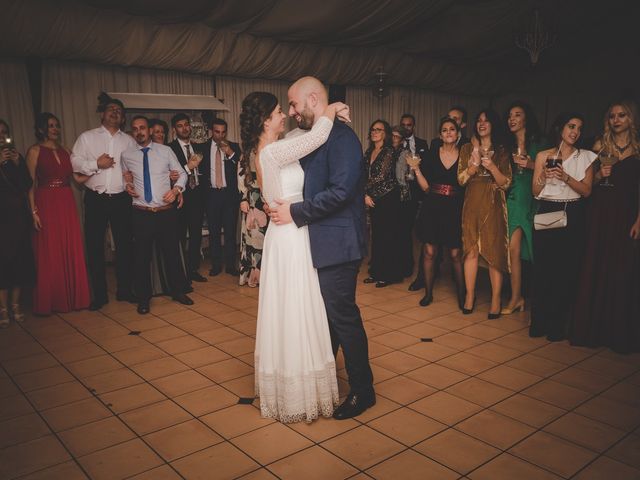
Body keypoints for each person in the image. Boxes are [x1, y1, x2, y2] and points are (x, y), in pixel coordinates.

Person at [272, 76, 375, 420]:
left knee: (343, 317)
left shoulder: (343, 137)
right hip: (318, 243)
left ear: (312, 99)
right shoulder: (313, 136)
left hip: (339, 243)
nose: (291, 111)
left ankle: (364, 391)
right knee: (326, 318)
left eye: (293, 104)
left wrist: (295, 212)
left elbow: (341, 192)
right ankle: (326, 379)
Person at [242, 90, 348, 422]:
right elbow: (313, 138)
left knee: (296, 306)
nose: (284, 115)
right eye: (277, 112)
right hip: (289, 236)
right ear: (264, 120)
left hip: (287, 231)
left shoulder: (273, 145)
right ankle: (298, 390)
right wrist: (331, 108)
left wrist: (326, 115)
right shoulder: (271, 152)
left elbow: (304, 133)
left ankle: (297, 383)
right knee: (297, 305)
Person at [571, 100, 640, 352]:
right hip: (600, 212)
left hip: (627, 214)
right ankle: (594, 330)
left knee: (622, 268)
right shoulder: (600, 145)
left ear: (630, 119)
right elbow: (589, 183)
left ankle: (618, 333)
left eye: (622, 115)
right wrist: (602, 174)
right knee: (596, 264)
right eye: (612, 116)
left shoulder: (638, 147)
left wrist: (639, 220)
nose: (616, 119)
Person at [530, 112, 596, 341]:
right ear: (560, 128)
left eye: (579, 128)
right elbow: (535, 192)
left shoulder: (586, 157)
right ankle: (538, 322)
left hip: (573, 213)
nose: (575, 132)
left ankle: (556, 325)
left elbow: (587, 191)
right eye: (571, 126)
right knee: (543, 270)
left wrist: (565, 177)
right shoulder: (542, 156)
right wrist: (544, 178)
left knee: (565, 271)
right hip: (548, 211)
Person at [121, 116, 194, 315]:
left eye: (142, 128)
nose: (139, 132)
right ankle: (144, 299)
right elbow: (124, 177)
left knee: (171, 254)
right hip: (141, 213)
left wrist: (177, 190)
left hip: (165, 213)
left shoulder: (165, 151)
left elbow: (182, 173)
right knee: (142, 258)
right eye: (135, 129)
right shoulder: (126, 155)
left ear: (149, 131)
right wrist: (127, 185)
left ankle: (178, 291)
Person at [71, 93, 136, 310]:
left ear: (123, 118)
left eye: (119, 111)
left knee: (125, 246)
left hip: (121, 200)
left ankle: (125, 290)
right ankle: (99, 295)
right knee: (94, 247)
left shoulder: (129, 141)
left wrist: (132, 178)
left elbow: (136, 168)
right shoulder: (87, 137)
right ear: (102, 113)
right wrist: (96, 164)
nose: (115, 112)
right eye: (111, 109)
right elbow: (75, 163)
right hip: (96, 199)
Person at [27, 113, 90, 315]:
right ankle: (52, 300)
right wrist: (33, 211)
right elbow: (29, 185)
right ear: (41, 129)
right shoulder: (34, 151)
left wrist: (99, 169)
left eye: (57, 125)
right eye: (50, 126)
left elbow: (78, 179)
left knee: (68, 246)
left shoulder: (66, 151)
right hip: (45, 201)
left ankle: (73, 298)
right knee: (50, 249)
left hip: (66, 200)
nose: (55, 129)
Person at [457, 109, 512, 319]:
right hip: (471, 202)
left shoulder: (502, 150)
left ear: (493, 125)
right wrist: (473, 167)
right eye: (479, 120)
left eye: (486, 121)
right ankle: (470, 297)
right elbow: (461, 180)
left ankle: (496, 300)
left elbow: (506, 183)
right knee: (470, 250)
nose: (482, 124)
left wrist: (491, 166)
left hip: (493, 203)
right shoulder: (466, 148)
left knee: (493, 252)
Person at [413, 117, 465, 308]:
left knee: (455, 254)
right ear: (440, 135)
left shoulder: (465, 155)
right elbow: (426, 188)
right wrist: (416, 170)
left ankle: (462, 295)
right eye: (444, 130)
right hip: (432, 207)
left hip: (454, 208)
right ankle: (428, 293)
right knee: (429, 251)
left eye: (452, 129)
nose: (449, 132)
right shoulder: (431, 155)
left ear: (458, 133)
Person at [502, 102, 543, 314]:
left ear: (526, 119)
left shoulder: (540, 143)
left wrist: (531, 165)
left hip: (535, 199)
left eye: (517, 114)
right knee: (513, 250)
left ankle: (541, 299)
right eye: (510, 115)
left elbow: (554, 169)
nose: (512, 118)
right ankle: (516, 297)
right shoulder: (506, 146)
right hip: (515, 198)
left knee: (538, 251)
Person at [0, 120, 35, 326]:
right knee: (3, 264)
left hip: (18, 219)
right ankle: (3, 309)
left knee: (20, 262)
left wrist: (17, 163)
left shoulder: (16, 157)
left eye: (5, 132)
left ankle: (16, 306)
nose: (2, 136)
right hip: (1, 222)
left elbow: (27, 184)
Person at [362, 120, 404, 287]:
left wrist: (363, 191)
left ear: (385, 133)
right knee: (377, 237)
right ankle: (376, 272)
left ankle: (388, 275)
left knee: (387, 237)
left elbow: (381, 176)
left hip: (388, 198)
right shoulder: (369, 151)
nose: (374, 132)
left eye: (378, 130)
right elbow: (363, 173)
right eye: (372, 129)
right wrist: (364, 193)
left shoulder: (389, 151)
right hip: (373, 198)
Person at [168, 113, 207, 282]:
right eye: (180, 126)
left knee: (196, 235)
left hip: (198, 195)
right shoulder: (169, 149)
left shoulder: (199, 148)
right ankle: (180, 271)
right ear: (174, 129)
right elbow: (171, 175)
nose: (184, 128)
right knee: (180, 235)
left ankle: (193, 269)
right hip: (180, 197)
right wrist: (188, 167)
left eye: (186, 125)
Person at [201, 118, 242, 277]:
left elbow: (241, 166)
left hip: (229, 195)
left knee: (231, 231)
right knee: (214, 231)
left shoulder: (234, 147)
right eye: (217, 132)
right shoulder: (202, 148)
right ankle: (216, 265)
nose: (220, 135)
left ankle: (231, 265)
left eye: (223, 132)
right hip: (211, 195)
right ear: (212, 131)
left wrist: (230, 153)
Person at [399, 114, 428, 284]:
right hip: (399, 192)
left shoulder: (423, 144)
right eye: (403, 125)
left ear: (414, 126)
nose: (406, 128)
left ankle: (414, 265)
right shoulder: (395, 142)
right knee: (401, 229)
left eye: (409, 125)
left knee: (412, 230)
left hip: (416, 191)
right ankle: (405, 264)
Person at [238, 151, 268, 287]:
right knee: (254, 237)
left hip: (269, 197)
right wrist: (243, 198)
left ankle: (267, 275)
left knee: (267, 238)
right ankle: (254, 274)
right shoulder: (246, 154)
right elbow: (241, 178)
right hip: (252, 200)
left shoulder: (273, 148)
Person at [391, 124, 414, 277]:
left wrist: (408, 176)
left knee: (403, 234)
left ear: (402, 139)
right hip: (389, 197)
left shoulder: (407, 154)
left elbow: (412, 175)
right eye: (392, 135)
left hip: (403, 197)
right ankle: (393, 264)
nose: (394, 139)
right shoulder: (386, 152)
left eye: (397, 136)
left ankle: (406, 267)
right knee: (391, 233)